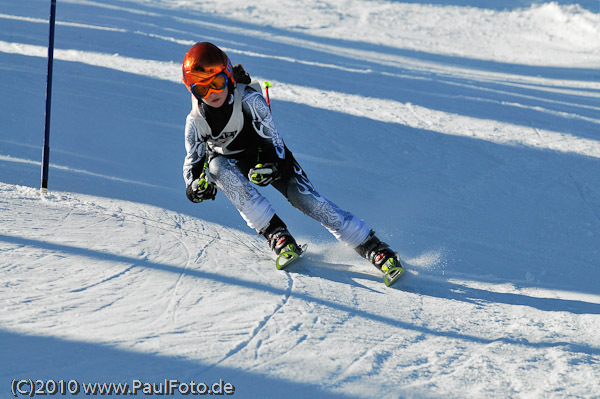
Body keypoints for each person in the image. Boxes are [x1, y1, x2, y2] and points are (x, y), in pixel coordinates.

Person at [181, 41, 403, 276]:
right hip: (230, 163)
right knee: (216, 167)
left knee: (305, 200)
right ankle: (275, 232)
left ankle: (372, 246)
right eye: (201, 89)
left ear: (228, 77)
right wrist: (195, 187)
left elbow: (274, 143)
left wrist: (272, 168)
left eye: (217, 83)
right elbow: (193, 164)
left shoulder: (249, 101)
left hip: (266, 157)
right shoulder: (195, 121)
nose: (212, 93)